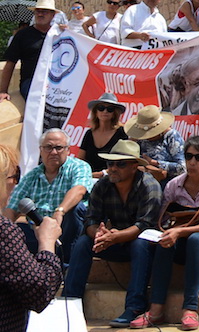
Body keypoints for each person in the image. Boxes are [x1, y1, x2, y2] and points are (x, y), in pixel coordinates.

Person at [63, 139, 162, 327]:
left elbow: (144, 226)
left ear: (135, 166)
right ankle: (69, 301)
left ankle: (135, 306)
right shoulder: (102, 185)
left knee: (141, 243)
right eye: (110, 163)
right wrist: (99, 235)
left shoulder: (149, 186)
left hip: (143, 245)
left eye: (121, 164)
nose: (114, 168)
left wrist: (113, 236)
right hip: (113, 240)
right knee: (84, 242)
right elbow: (90, 220)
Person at [141, 135, 199, 330]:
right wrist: (168, 233)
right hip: (186, 244)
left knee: (196, 239)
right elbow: (164, 219)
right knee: (165, 241)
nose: (192, 162)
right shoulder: (173, 185)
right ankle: (156, 309)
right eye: (188, 156)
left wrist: (180, 232)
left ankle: (190, 309)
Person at [0, 143, 63, 332]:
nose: (16, 183)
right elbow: (39, 293)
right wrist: (47, 242)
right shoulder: (3, 232)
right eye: (14, 175)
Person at [5, 128, 91, 262]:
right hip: (38, 231)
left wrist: (60, 212)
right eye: (48, 147)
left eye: (59, 148)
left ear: (68, 150)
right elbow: (12, 206)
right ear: (41, 150)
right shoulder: (32, 176)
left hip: (65, 228)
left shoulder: (79, 166)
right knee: (13, 230)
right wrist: (5, 233)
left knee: (76, 209)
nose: (53, 152)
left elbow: (79, 190)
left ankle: (67, 264)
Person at [0, 0, 57, 102]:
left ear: (52, 15)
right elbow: (10, 63)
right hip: (31, 82)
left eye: (44, 11)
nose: (40, 14)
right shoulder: (23, 35)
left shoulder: (59, 34)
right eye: (37, 11)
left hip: (54, 82)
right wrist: (3, 91)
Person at [125, 105, 185, 186]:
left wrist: (155, 163)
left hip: (168, 186)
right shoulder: (137, 138)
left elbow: (182, 168)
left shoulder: (172, 136)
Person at [81, 92, 128, 177]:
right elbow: (80, 160)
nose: (105, 111)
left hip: (112, 178)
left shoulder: (122, 133)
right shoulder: (89, 133)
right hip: (88, 178)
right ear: (96, 111)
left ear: (115, 113)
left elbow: (124, 161)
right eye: (101, 108)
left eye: (110, 109)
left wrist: (101, 174)